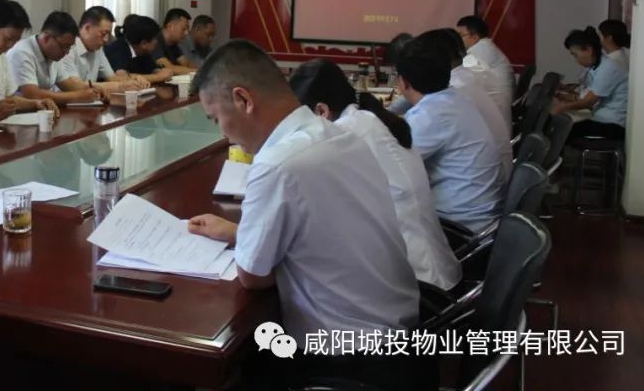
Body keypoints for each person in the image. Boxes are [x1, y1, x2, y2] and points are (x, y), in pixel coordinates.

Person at [186, 41, 423, 389]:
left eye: (216, 118)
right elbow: (326, 231)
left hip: (349, 362)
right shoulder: (340, 134)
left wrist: (249, 243)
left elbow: (253, 276)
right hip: (400, 340)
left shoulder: (277, 163)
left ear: (243, 100)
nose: (221, 132)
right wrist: (238, 233)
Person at [289, 59, 462, 291]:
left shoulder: (346, 133)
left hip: (420, 285)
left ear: (321, 111)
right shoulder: (366, 119)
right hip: (429, 267)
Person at [396, 42, 505, 234]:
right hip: (477, 215)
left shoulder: (431, 115)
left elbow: (389, 163)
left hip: (459, 227)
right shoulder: (454, 99)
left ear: (403, 82)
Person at [415, 29, 512, 180]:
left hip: (479, 180)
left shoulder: (454, 90)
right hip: (491, 171)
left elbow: (407, 151)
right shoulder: (467, 76)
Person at [7, 11, 106, 105]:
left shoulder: (54, 56)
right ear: (46, 38)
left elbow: (67, 84)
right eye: (64, 46)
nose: (67, 52)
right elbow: (32, 94)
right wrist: (78, 96)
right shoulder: (22, 52)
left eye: (70, 47)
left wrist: (92, 90)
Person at [552, 27, 629, 141]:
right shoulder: (597, 66)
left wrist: (561, 107)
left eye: (575, 55)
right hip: (600, 118)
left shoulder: (607, 68)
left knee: (561, 131)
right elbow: (585, 95)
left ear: (588, 50)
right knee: (562, 127)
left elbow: (588, 102)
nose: (576, 59)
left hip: (612, 125)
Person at [56, 6, 149, 94]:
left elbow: (111, 78)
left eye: (108, 34)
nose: (106, 39)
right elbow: (75, 86)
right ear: (87, 28)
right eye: (103, 34)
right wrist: (119, 86)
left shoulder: (97, 49)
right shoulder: (67, 47)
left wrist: (133, 80)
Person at [455, 15, 514, 120]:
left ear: (475, 37)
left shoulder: (481, 51)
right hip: (495, 111)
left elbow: (457, 78)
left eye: (460, 36)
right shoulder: (485, 47)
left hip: (493, 115)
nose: (456, 41)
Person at [103, 15, 173, 83]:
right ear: (144, 43)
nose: (157, 42)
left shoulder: (143, 52)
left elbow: (153, 69)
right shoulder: (118, 49)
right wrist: (158, 77)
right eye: (155, 38)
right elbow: (122, 78)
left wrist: (162, 72)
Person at [150, 8, 195, 73]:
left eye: (187, 29)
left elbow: (186, 64)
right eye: (183, 29)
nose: (186, 33)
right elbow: (169, 68)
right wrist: (197, 72)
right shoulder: (154, 41)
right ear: (170, 26)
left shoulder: (173, 43)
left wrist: (203, 71)